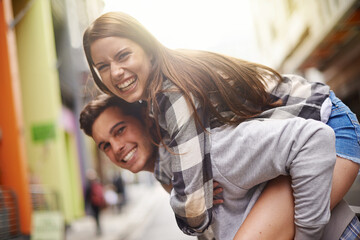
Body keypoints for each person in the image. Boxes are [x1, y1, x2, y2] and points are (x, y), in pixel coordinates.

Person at [82, 12, 360, 238]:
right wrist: (189, 190)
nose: (115, 72)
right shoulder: (159, 106)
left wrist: (188, 196)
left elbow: (196, 211)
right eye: (102, 66)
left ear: (149, 50)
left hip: (327, 121)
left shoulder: (172, 95)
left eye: (123, 55)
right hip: (304, 134)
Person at [79, 94, 359, 240]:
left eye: (120, 131)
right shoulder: (172, 174)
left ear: (146, 118)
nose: (116, 148)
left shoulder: (203, 149)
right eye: (105, 145)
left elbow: (311, 138)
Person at [85, 169, 106, 236]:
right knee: (97, 216)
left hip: (94, 203)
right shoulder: (98, 182)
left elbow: (87, 196)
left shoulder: (89, 185)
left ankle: (98, 229)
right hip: (98, 203)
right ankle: (99, 228)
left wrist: (86, 205)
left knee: (96, 217)